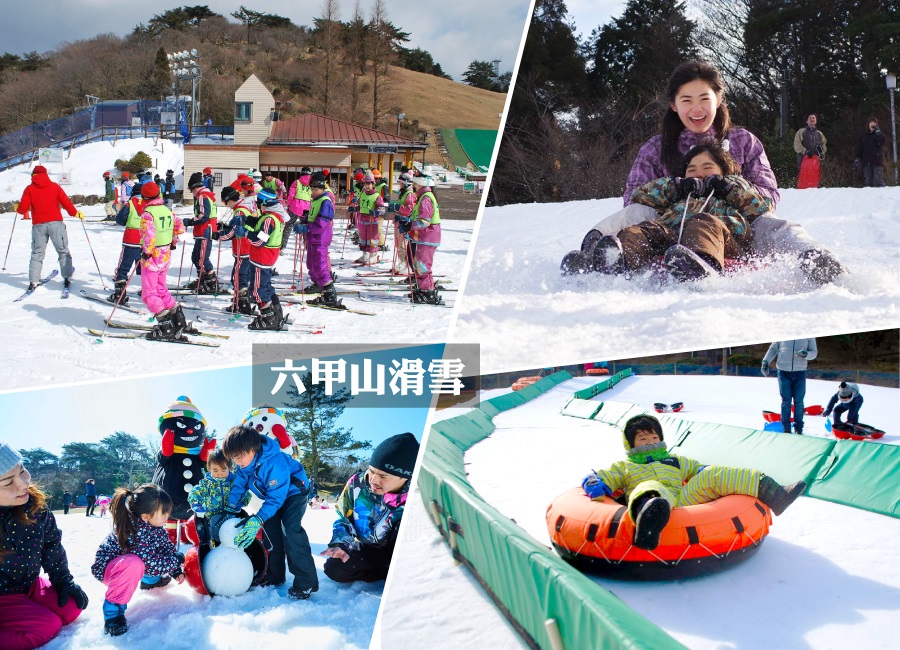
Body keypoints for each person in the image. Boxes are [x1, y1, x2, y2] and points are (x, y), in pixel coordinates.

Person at [570, 61, 843, 285]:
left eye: (704, 98)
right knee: (637, 215)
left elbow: (768, 197)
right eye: (687, 100)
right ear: (674, 105)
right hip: (669, 224)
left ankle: (813, 257)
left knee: (773, 223)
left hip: (732, 227)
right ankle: (599, 252)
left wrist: (728, 187)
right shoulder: (655, 148)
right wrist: (675, 188)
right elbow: (633, 198)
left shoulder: (743, 142)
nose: (697, 108)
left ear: (719, 99)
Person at [581, 415, 806, 551]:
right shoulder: (624, 466)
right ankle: (648, 522)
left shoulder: (676, 460)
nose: (650, 442)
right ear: (631, 443)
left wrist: (710, 475)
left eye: (654, 438)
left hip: (683, 499)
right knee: (651, 487)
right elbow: (600, 477)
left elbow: (699, 470)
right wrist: (594, 483)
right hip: (654, 501)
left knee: (715, 473)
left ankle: (776, 494)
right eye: (643, 438)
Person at [571, 141, 771, 280]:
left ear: (724, 171)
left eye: (708, 167)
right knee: (646, 229)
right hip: (672, 234)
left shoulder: (733, 187)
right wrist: (676, 186)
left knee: (702, 221)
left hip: (721, 238)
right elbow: (639, 197)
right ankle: (614, 261)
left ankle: (700, 266)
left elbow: (760, 208)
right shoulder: (679, 192)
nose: (699, 173)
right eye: (691, 170)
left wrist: (727, 187)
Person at [0, 443, 88, 650]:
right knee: (46, 626)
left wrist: (62, 580)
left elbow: (51, 545)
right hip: (3, 592)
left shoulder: (35, 507)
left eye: (21, 470)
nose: (23, 483)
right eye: (7, 482)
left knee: (71, 608)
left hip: (28, 582)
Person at [223, 425, 318, 600]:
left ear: (252, 448)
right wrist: (230, 508)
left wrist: (258, 518)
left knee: (289, 530)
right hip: (273, 496)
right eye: (234, 458)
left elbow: (277, 497)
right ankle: (275, 575)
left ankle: (306, 582)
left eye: (240, 456)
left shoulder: (275, 462)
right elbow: (239, 486)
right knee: (271, 532)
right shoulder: (245, 465)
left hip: (294, 493)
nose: (238, 461)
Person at [322, 433, 419, 583]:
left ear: (406, 476)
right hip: (368, 548)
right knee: (335, 568)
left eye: (383, 476)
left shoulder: (415, 494)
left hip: (399, 552)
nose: (373, 480)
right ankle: (381, 573)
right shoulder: (357, 484)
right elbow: (344, 518)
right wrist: (341, 544)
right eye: (372, 471)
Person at [91, 485, 184, 636]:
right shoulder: (134, 530)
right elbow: (149, 563)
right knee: (136, 563)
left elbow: (165, 548)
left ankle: (149, 581)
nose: (168, 515)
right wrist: (173, 561)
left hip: (138, 565)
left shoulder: (156, 526)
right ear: (146, 516)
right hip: (113, 570)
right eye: (164, 513)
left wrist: (175, 569)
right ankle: (113, 613)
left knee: (149, 562)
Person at [16, 166, 82, 292]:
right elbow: (66, 202)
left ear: (33, 175)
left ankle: (33, 281)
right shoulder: (54, 186)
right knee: (63, 250)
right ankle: (67, 276)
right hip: (56, 223)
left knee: (37, 252)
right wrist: (75, 213)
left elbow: (22, 209)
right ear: (46, 174)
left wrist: (17, 208)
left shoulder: (29, 189)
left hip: (38, 225)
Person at [136, 182, 188, 341]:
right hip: (165, 255)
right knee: (160, 287)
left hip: (153, 256)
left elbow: (150, 235)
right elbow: (180, 227)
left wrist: (146, 252)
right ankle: (177, 316)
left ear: (144, 197)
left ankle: (165, 324)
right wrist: (173, 241)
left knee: (149, 293)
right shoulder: (166, 210)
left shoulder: (148, 213)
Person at [245, 187, 288, 330]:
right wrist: (246, 220)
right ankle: (276, 312)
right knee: (265, 285)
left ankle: (268, 317)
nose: (257, 205)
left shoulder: (270, 219)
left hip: (261, 257)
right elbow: (259, 224)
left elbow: (260, 240)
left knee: (257, 290)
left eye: (258, 202)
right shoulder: (273, 215)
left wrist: (245, 233)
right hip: (266, 257)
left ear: (265, 202)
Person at [187, 448, 251, 545]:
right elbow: (194, 493)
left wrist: (241, 502)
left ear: (229, 467)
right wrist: (196, 503)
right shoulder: (206, 484)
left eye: (223, 470)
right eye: (215, 470)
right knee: (214, 524)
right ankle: (216, 544)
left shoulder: (234, 483)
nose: (219, 473)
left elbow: (246, 494)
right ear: (209, 468)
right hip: (212, 516)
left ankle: (237, 545)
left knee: (236, 526)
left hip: (231, 514)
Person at [298, 171, 343, 309]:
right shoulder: (316, 200)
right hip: (313, 237)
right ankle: (319, 285)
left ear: (322, 188)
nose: (313, 191)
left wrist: (308, 228)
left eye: (315, 189)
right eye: (311, 188)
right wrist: (304, 221)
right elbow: (312, 216)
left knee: (320, 264)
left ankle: (329, 294)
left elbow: (322, 222)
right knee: (311, 264)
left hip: (320, 237)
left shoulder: (326, 201)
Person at [400, 175, 443, 304]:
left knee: (422, 265)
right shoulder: (422, 197)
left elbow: (424, 221)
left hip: (428, 237)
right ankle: (423, 288)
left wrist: (410, 226)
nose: (413, 185)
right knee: (419, 264)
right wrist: (410, 229)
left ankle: (427, 291)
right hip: (424, 237)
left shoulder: (425, 198)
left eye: (416, 183)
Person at [761, 339, 818, 435]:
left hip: (800, 372)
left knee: (799, 402)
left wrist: (806, 354)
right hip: (783, 372)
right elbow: (773, 348)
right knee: (786, 401)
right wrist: (765, 361)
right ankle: (786, 428)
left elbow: (814, 352)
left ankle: (798, 428)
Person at [107, 176, 148, 305]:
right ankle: (147, 290)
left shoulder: (130, 204)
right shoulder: (148, 205)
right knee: (143, 266)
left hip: (131, 238)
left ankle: (120, 294)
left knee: (124, 266)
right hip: (145, 239)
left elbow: (120, 219)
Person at [217, 185, 255, 315]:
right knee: (243, 276)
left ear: (230, 200)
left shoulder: (240, 211)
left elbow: (233, 233)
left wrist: (217, 235)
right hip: (246, 248)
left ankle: (242, 303)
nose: (225, 205)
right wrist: (224, 226)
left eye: (224, 202)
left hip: (243, 249)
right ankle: (242, 299)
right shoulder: (243, 208)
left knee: (238, 277)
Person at [181, 172, 219, 293]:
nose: (191, 192)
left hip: (205, 230)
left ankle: (211, 281)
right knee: (196, 257)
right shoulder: (202, 195)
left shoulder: (203, 196)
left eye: (191, 189)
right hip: (201, 231)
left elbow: (204, 216)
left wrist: (190, 221)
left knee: (202, 258)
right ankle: (202, 279)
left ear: (194, 187)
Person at [355, 172, 386, 265]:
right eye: (365, 183)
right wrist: (355, 208)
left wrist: (377, 212)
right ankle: (365, 254)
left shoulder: (377, 196)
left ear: (373, 184)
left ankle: (373, 255)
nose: (367, 186)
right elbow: (360, 204)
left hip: (372, 221)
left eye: (369, 183)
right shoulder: (363, 194)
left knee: (372, 239)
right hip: (362, 220)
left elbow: (382, 209)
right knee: (363, 238)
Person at [391, 172, 417, 276]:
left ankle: (406, 263)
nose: (399, 184)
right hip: (399, 221)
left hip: (405, 222)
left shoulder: (409, 194)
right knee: (398, 243)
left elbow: (410, 209)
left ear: (406, 183)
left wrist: (398, 208)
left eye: (401, 183)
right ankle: (401, 261)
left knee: (402, 244)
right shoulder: (402, 193)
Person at [284, 166, 312, 251]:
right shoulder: (312, 183)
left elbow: (291, 195)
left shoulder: (297, 182)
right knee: (305, 225)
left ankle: (283, 246)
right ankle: (307, 245)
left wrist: (289, 204)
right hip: (307, 206)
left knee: (289, 224)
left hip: (295, 206)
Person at [855, 118, 886, 187]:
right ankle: (869, 196)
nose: (872, 124)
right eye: (871, 122)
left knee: (878, 180)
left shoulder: (878, 135)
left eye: (874, 122)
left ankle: (882, 195)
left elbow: (882, 142)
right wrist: (858, 158)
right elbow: (859, 149)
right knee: (868, 181)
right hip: (866, 160)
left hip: (877, 160)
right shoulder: (863, 136)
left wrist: (879, 133)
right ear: (868, 124)